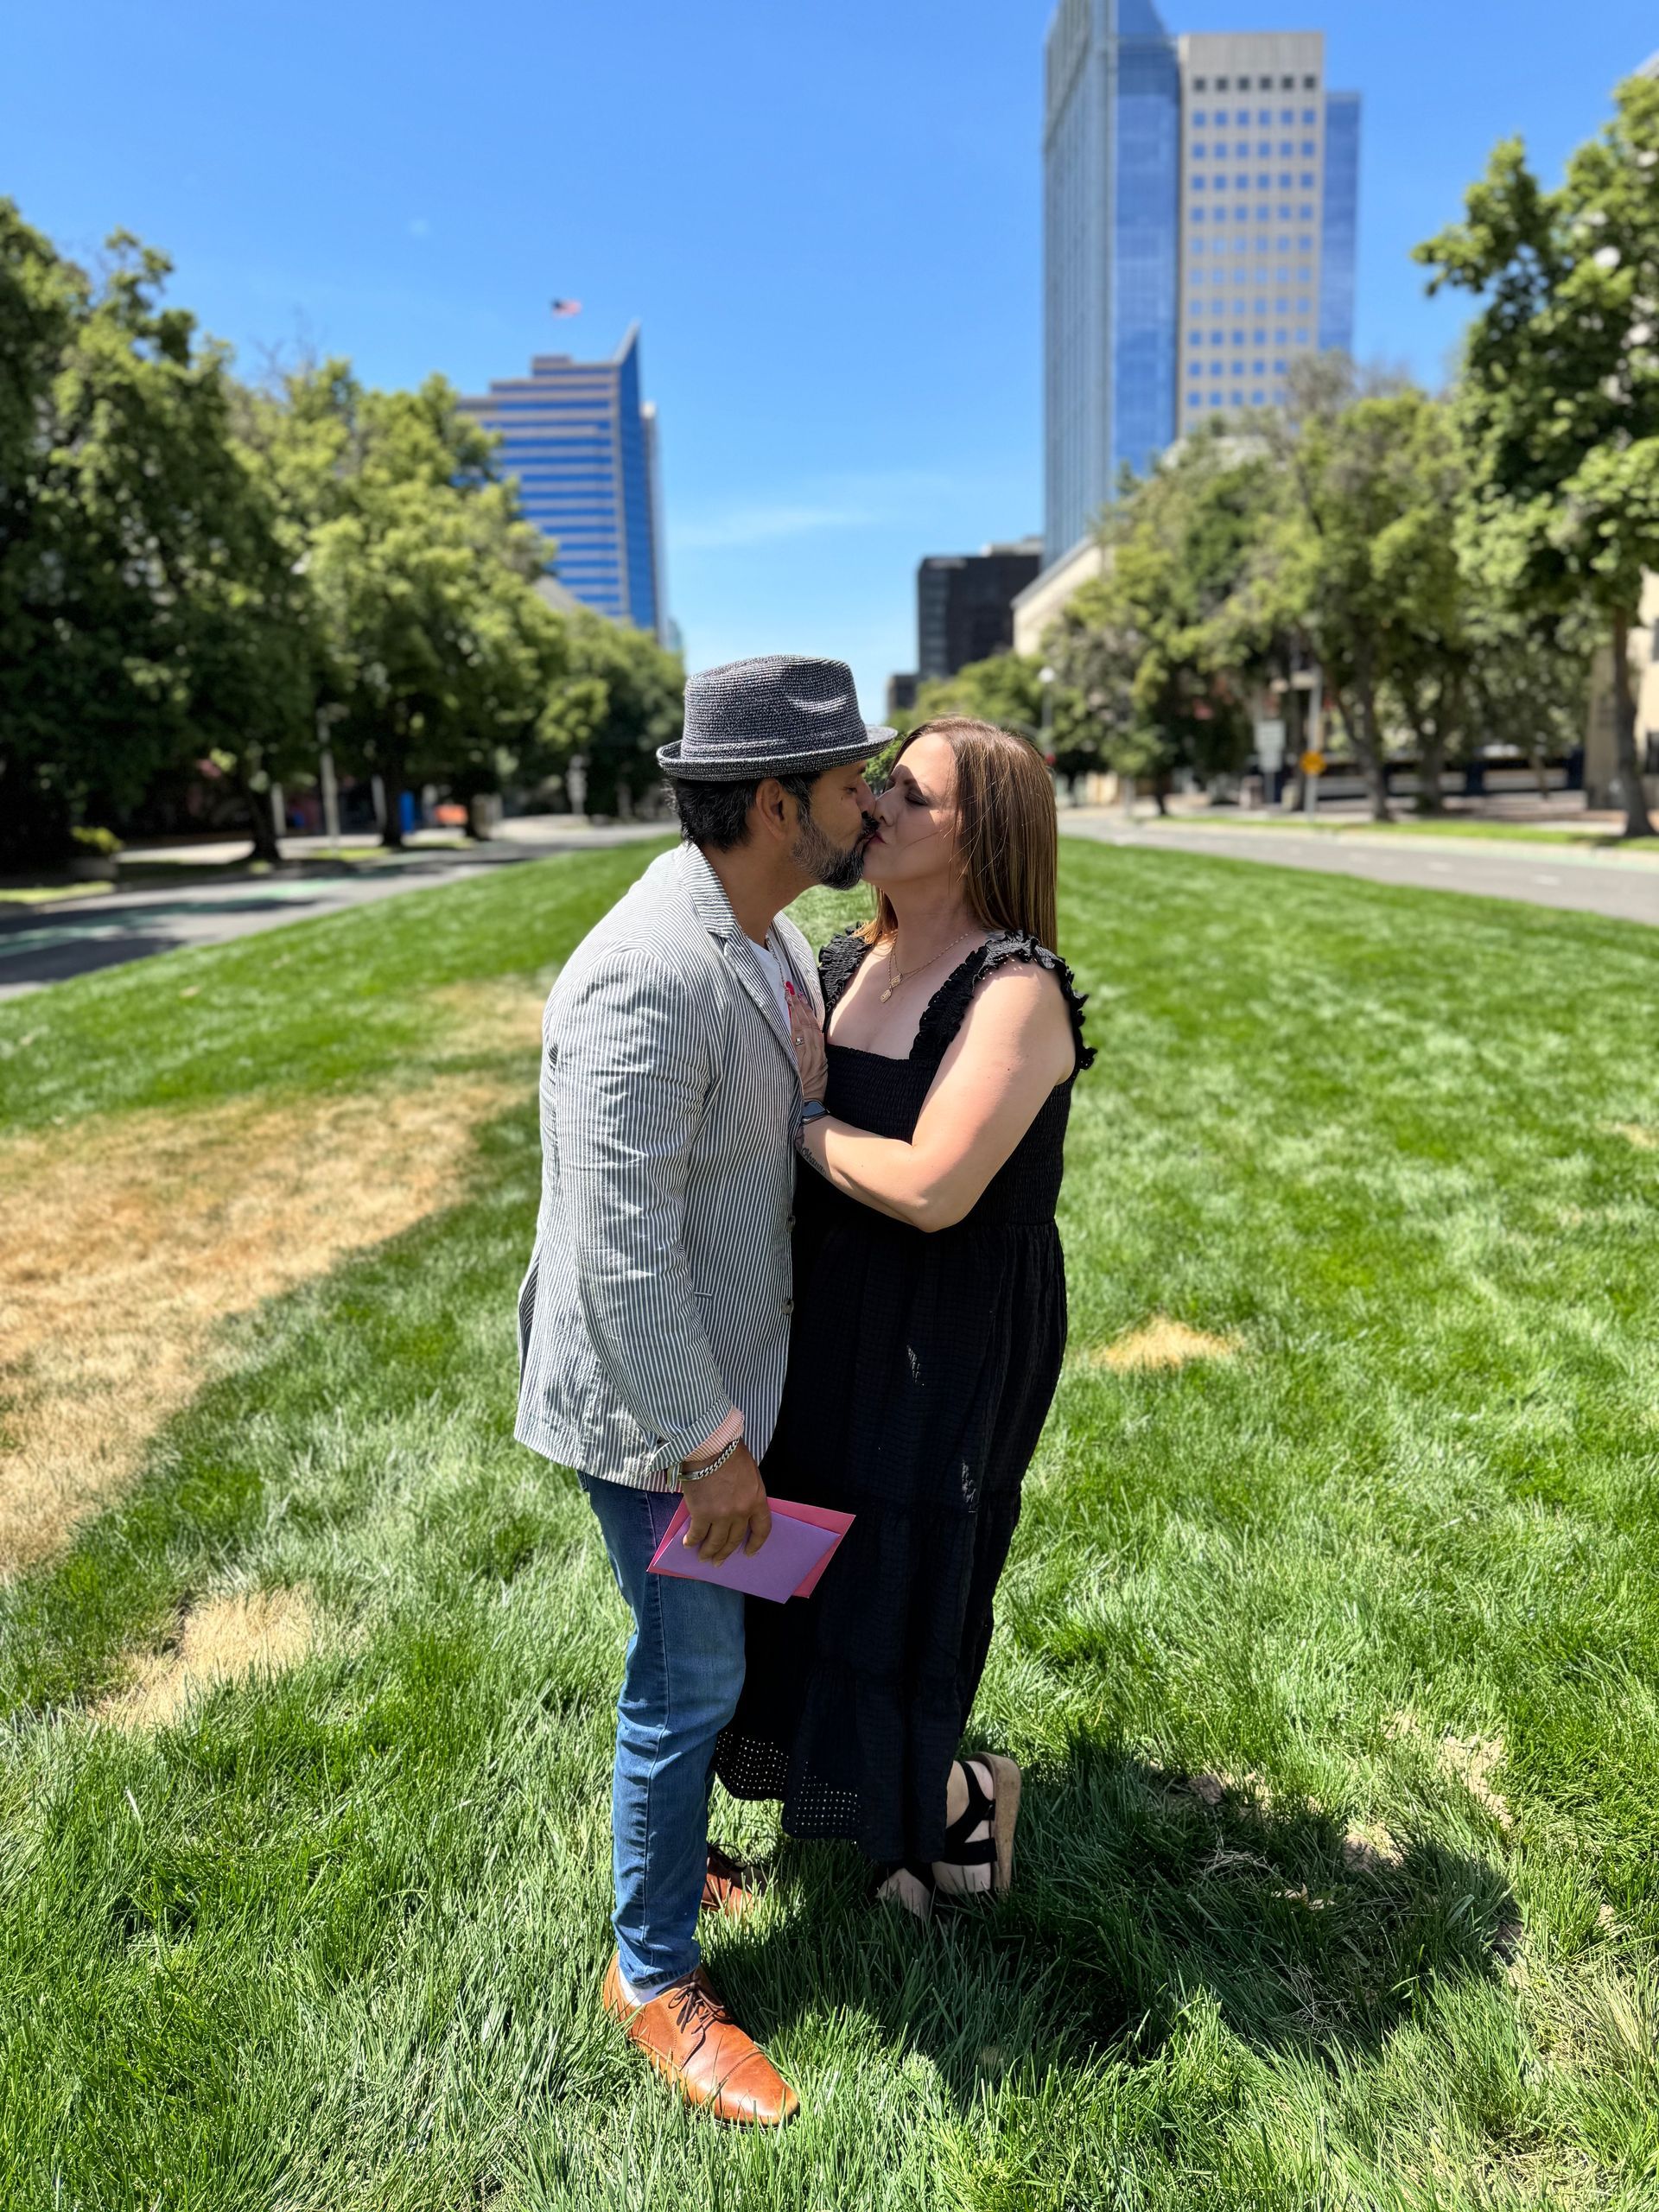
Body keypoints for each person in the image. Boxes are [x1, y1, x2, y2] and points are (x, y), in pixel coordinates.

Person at [514, 654, 882, 2125]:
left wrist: (802, 1099)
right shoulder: (644, 968)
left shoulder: (766, 933)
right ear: (777, 801)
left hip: (724, 1383)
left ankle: (671, 1863)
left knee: (687, 1661)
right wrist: (709, 1443)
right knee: (693, 1679)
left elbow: (750, 1133)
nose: (870, 800)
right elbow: (616, 1255)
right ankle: (653, 1975)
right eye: (851, 782)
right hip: (657, 1409)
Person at [716, 716, 1094, 1919]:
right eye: (875, 784)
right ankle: (888, 1813)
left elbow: (935, 1189)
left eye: (910, 796)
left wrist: (802, 1122)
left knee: (898, 1569)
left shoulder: (1016, 990)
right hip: (828, 1303)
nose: (871, 805)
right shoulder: (840, 959)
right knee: (805, 1563)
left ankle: (954, 1800)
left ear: (984, 838)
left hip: (950, 1325)